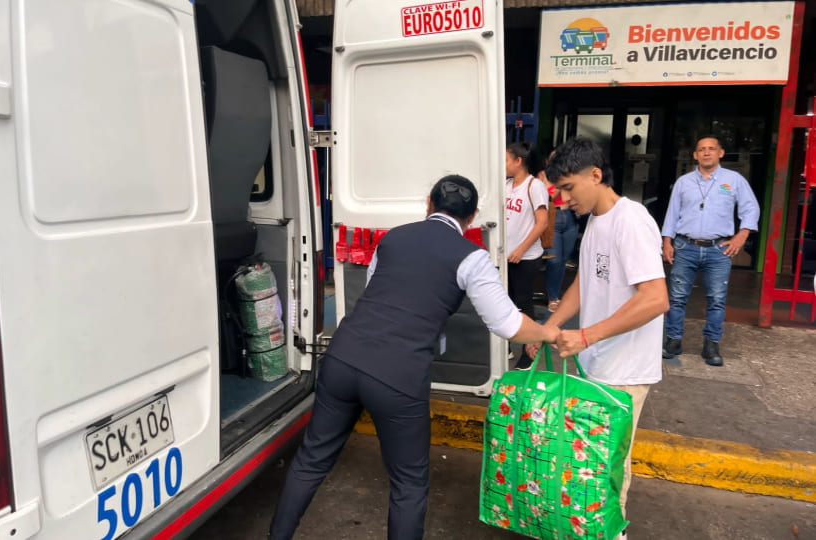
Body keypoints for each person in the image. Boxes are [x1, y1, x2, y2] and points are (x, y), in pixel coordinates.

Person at [268, 175, 559, 540]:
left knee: (311, 460)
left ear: (428, 204)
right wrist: (549, 332)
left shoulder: (393, 238)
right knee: (408, 483)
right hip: (397, 375)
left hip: (342, 358)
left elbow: (380, 290)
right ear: (472, 217)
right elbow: (507, 324)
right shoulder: (472, 257)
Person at [528, 137, 669, 540]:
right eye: (558, 191)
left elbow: (656, 298)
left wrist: (586, 336)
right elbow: (584, 286)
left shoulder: (631, 219)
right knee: (587, 463)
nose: (563, 199)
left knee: (607, 467)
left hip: (623, 369)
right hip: (598, 364)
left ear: (595, 175)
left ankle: (611, 534)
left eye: (568, 188)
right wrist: (549, 328)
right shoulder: (595, 221)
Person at [660, 135, 760, 366]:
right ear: (695, 155)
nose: (706, 152)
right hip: (685, 247)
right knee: (677, 298)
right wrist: (667, 241)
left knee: (716, 299)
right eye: (701, 149)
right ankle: (673, 340)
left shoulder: (734, 180)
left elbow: (750, 209)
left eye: (711, 149)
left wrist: (741, 236)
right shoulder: (684, 182)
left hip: (719, 250)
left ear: (720, 153)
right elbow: (672, 214)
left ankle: (711, 346)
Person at [505, 142, 549, 368]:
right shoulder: (507, 185)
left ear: (518, 161)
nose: (503, 164)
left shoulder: (535, 186)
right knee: (507, 304)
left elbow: (542, 223)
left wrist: (521, 249)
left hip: (526, 258)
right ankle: (505, 350)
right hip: (507, 257)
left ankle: (528, 352)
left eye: (506, 160)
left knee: (523, 304)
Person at [539, 153, 579, 312]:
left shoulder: (569, 174)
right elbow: (549, 195)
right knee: (553, 260)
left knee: (562, 260)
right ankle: (552, 298)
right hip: (552, 216)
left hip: (569, 216)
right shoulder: (542, 175)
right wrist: (559, 184)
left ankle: (555, 295)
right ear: (547, 161)